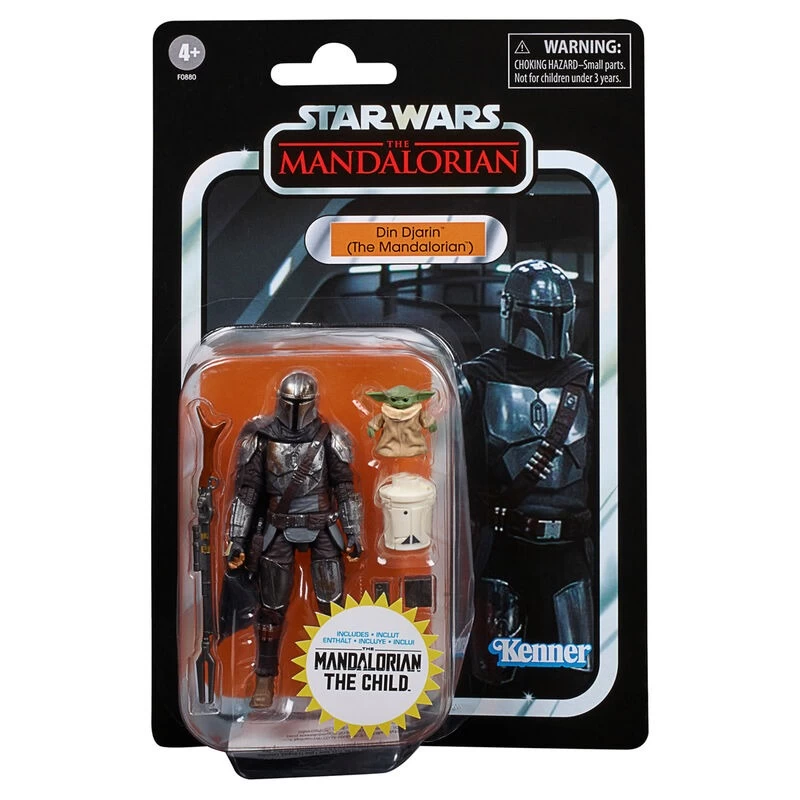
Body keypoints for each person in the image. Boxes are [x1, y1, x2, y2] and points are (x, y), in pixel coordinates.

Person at [461, 260, 595, 698]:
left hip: (569, 550)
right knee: (494, 678)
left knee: (573, 675)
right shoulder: (476, 379)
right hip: (501, 546)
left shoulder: (587, 381)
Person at [225, 371, 363, 708]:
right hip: (278, 525)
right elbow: (248, 492)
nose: (296, 408)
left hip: (322, 523)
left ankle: (337, 677)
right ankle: (265, 677)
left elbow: (345, 488)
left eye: (302, 402)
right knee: (271, 608)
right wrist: (236, 539)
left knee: (332, 604)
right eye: (290, 402)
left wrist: (354, 532)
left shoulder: (331, 437)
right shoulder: (261, 439)